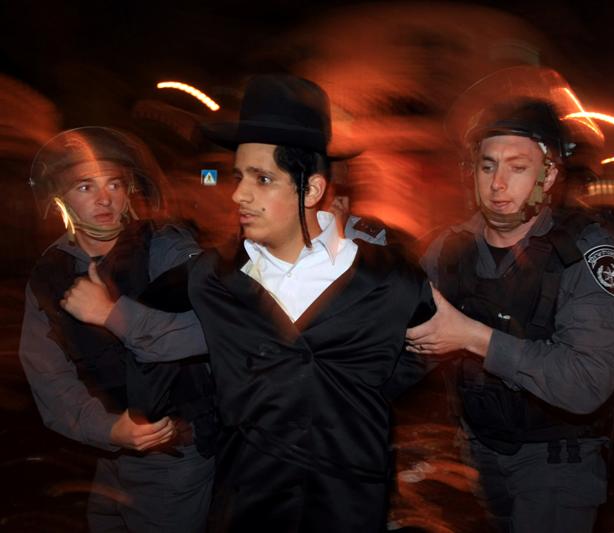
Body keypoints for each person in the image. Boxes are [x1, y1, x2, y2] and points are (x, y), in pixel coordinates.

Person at [63, 75, 436, 532]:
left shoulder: (389, 277)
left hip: (350, 508)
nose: (238, 194)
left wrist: (355, 392)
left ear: (312, 190)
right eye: (239, 177)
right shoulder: (212, 277)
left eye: (262, 179)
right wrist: (112, 316)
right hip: (250, 506)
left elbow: (426, 347)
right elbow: (156, 332)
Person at [405, 80, 614, 531]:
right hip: (479, 453)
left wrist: (473, 337)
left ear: (548, 176)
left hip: (557, 462)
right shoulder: (449, 249)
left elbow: (587, 380)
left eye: (518, 167)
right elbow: (409, 345)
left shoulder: (585, 251)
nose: (498, 184)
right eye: (487, 166)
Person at [19, 127, 216, 532]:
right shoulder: (51, 272)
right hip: (107, 455)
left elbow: (214, 332)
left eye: (114, 184)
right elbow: (48, 376)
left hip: (174, 456)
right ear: (60, 198)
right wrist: (110, 430)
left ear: (128, 191)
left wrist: (113, 315)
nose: (104, 198)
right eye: (85, 187)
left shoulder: (168, 251)